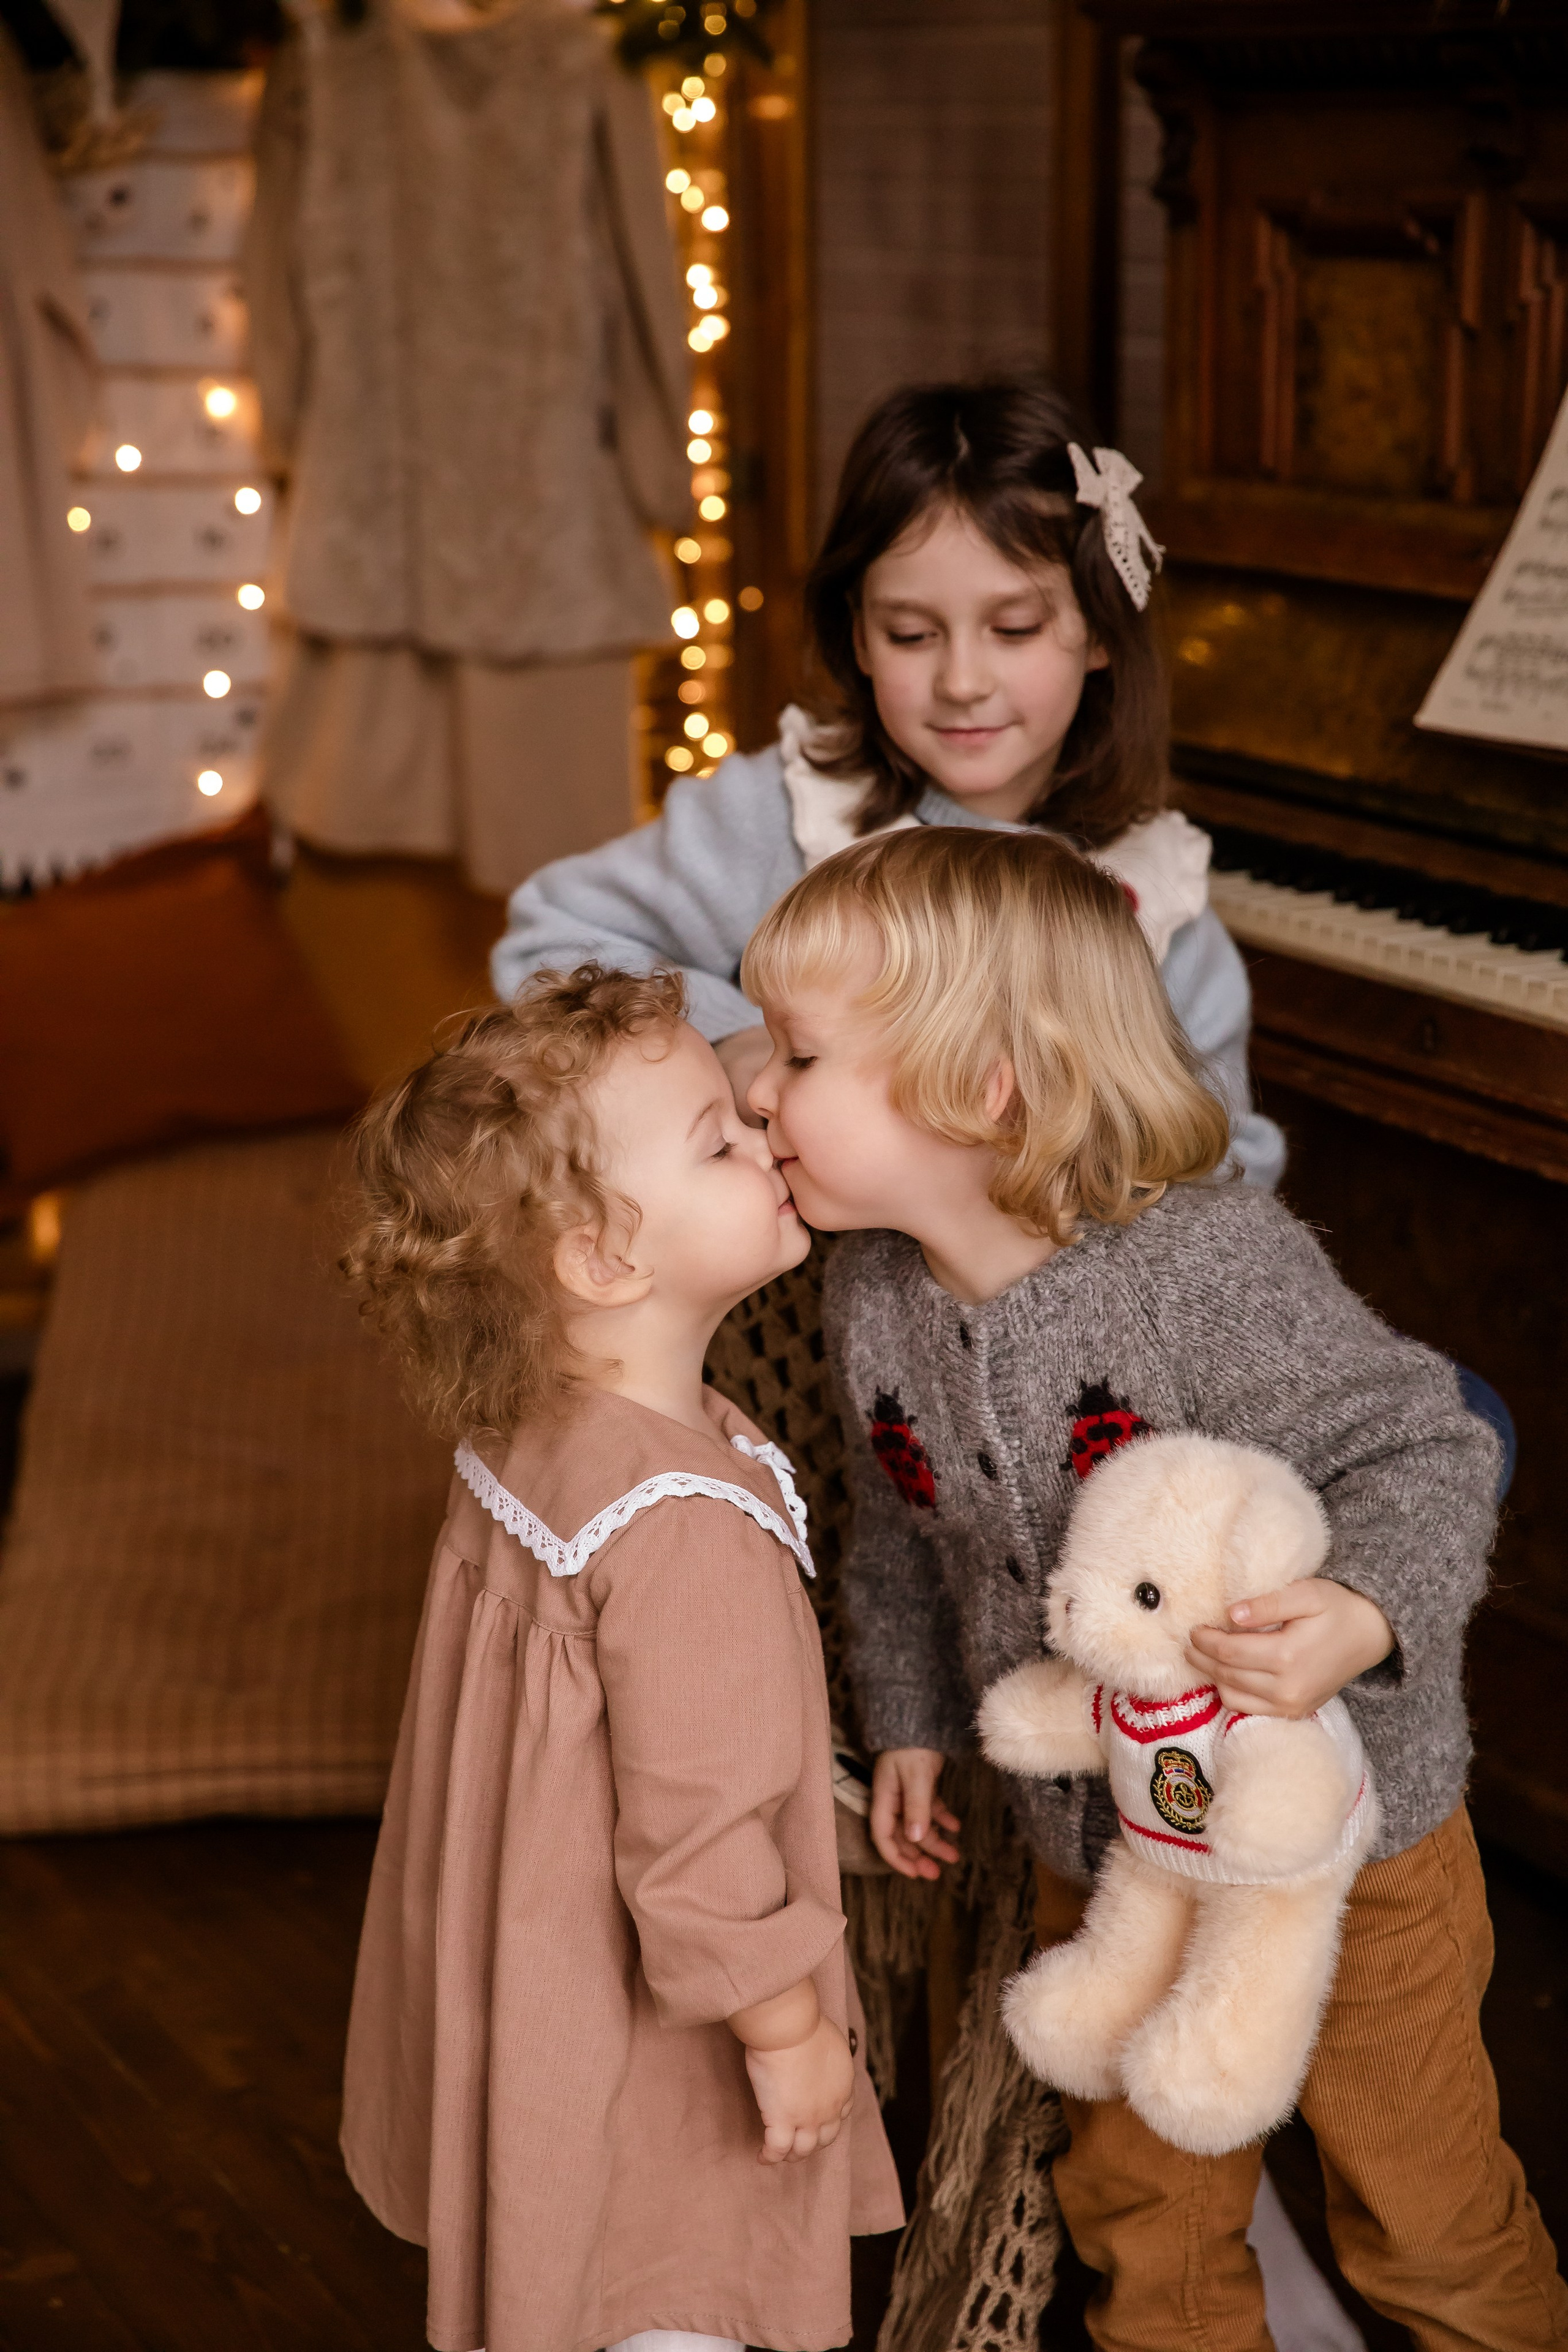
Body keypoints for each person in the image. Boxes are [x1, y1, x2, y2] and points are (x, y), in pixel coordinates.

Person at [738, 824, 1566, 2352]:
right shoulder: (870, 1293)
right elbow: (896, 1530)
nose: (752, 1089)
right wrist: (910, 1718)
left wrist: (1364, 1611)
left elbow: (1423, 1441)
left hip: (1351, 1846)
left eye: (792, 1055)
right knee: (1139, 2212)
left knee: (1420, 2210)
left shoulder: (1197, 1270)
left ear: (975, 1086)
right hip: (1109, 1847)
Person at [337, 965, 902, 2352]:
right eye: (718, 1138)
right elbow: (699, 1850)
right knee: (666, 2288)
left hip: (537, 1981)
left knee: (576, 2266)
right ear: (602, 1259)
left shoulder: (529, 1435)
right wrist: (786, 2034)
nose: (764, 1134)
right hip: (657, 2042)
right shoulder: (681, 1528)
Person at [491, 374, 1284, 1190]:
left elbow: (1229, 1154)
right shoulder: (789, 813)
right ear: (860, 638)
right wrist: (738, 1043)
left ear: (1099, 632)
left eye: (1014, 628)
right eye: (912, 634)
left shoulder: (1158, 893)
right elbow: (552, 938)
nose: (963, 680)